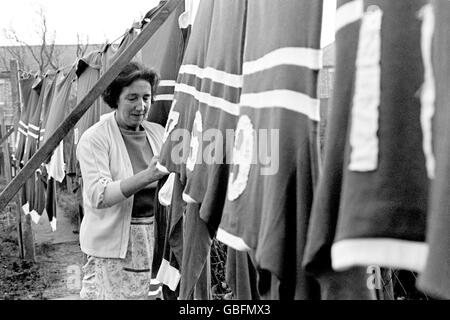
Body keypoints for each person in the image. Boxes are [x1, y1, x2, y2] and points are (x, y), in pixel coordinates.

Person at [76, 61, 168, 299]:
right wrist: (148, 175)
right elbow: (100, 195)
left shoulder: (158, 133)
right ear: (116, 98)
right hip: (114, 247)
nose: (141, 106)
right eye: (132, 98)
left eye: (146, 97)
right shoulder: (95, 138)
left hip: (153, 241)